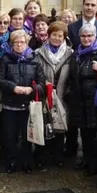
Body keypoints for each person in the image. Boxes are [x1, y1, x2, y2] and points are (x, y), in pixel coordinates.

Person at [0, 29, 45, 174]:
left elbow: (41, 83)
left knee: (27, 136)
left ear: (26, 42)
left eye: (22, 42)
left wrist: (31, 89)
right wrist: (13, 87)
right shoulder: (5, 59)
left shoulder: (34, 59)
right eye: (15, 42)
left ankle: (26, 162)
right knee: (9, 136)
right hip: (10, 104)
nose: (19, 45)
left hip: (27, 105)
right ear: (11, 44)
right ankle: (11, 161)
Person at [67, 23, 97, 175]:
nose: (86, 39)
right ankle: (86, 159)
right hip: (80, 99)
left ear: (95, 37)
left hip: (95, 100)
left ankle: (95, 164)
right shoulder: (76, 53)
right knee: (84, 131)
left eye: (89, 36)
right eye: (83, 36)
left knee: (95, 133)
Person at [35, 21, 74, 168]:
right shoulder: (39, 53)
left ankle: (58, 156)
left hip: (62, 94)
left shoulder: (70, 54)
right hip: (45, 95)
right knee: (44, 124)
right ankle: (41, 156)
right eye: (54, 35)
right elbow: (35, 73)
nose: (57, 38)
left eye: (60, 36)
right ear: (48, 35)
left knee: (60, 126)